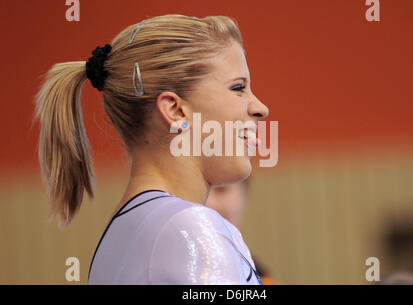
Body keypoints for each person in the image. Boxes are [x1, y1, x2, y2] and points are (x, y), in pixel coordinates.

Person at [33, 14, 269, 284]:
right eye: (238, 88)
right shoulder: (190, 229)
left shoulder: (115, 240)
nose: (260, 108)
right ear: (176, 110)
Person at [206, 181, 278, 284]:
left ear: (244, 194)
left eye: (221, 189)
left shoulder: (261, 279)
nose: (209, 203)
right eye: (198, 190)